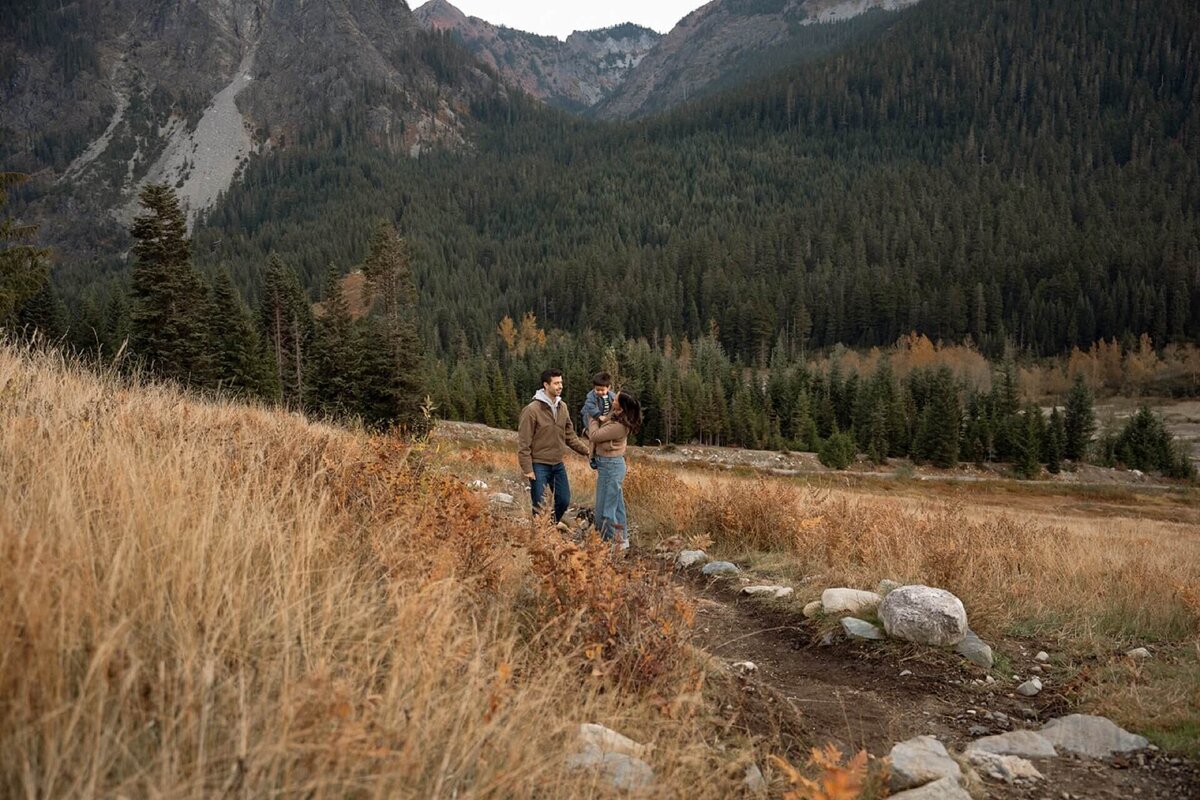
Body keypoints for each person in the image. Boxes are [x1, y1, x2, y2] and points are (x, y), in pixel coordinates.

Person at [517, 369, 590, 524]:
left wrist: (587, 451)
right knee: (539, 505)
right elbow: (524, 442)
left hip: (557, 463)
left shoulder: (562, 407)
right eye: (556, 383)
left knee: (564, 500)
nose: (560, 386)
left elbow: (570, 436)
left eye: (561, 383)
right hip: (538, 465)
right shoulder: (532, 410)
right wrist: (527, 468)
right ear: (546, 385)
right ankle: (539, 536)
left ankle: (550, 525)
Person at [588, 391, 643, 550]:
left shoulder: (619, 426)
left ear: (621, 406)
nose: (613, 399)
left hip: (611, 467)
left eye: (616, 398)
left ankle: (608, 545)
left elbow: (595, 435)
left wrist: (592, 418)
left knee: (605, 511)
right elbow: (604, 403)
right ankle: (621, 542)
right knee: (617, 508)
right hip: (610, 465)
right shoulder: (617, 416)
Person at [579, 372, 617, 469]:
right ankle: (592, 457)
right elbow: (590, 407)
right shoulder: (591, 396)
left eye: (602, 390)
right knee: (593, 439)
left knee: (604, 437)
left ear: (608, 387)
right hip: (591, 419)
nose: (599, 392)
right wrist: (598, 415)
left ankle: (605, 455)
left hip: (604, 420)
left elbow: (615, 405)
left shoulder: (612, 396)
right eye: (597, 390)